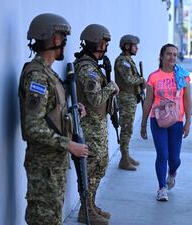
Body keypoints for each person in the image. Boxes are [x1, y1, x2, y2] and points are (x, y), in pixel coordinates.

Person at [17, 13, 89, 225]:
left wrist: (73, 111)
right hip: (44, 167)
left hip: (53, 166)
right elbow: (33, 126)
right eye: (63, 37)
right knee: (44, 219)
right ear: (56, 40)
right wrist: (69, 145)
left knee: (52, 217)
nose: (64, 42)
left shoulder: (47, 73)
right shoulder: (38, 75)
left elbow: (50, 112)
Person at [74, 24, 118, 225]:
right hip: (90, 126)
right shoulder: (87, 69)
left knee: (100, 164)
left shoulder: (93, 66)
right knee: (92, 166)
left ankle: (90, 205)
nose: (106, 47)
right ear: (94, 42)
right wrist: (110, 88)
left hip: (97, 124)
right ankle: (85, 210)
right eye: (103, 43)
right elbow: (95, 99)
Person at [140, 43, 192, 201]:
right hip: (158, 120)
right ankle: (161, 188)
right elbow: (148, 102)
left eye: (175, 54)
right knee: (162, 154)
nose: (172, 57)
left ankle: (172, 173)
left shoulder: (182, 76)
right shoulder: (154, 77)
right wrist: (143, 125)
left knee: (174, 159)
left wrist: (188, 122)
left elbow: (187, 100)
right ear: (161, 57)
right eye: (169, 54)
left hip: (176, 121)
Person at [114, 34, 146, 171]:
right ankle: (124, 159)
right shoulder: (123, 61)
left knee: (128, 128)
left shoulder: (128, 60)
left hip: (130, 98)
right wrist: (141, 80)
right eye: (135, 46)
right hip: (125, 99)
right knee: (126, 129)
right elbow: (129, 80)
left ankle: (125, 155)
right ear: (127, 46)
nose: (137, 48)